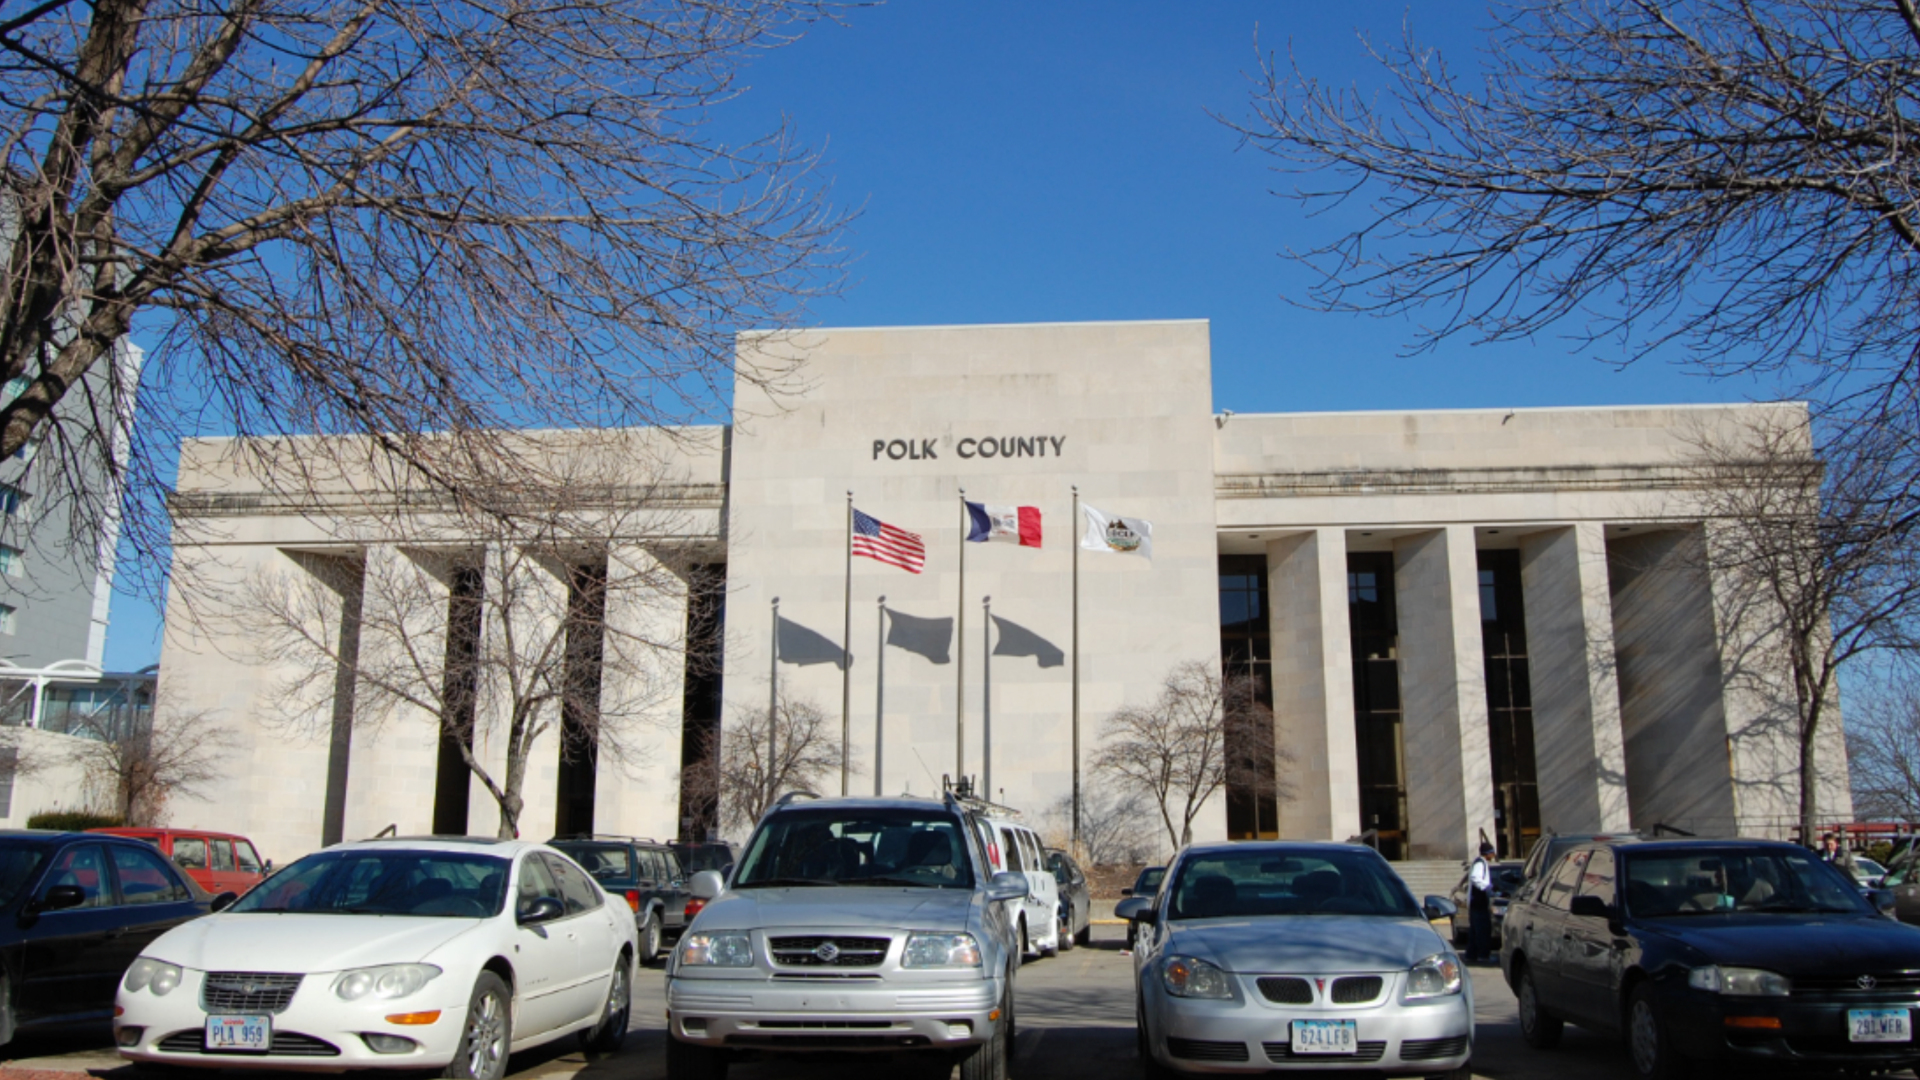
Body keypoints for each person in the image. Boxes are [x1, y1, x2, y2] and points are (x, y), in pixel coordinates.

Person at [1467, 841, 1495, 964]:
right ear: (1487, 853)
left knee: (1474, 931)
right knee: (1482, 929)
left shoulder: (1481, 863)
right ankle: (1483, 955)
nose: (1493, 855)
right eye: (1492, 852)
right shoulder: (1480, 863)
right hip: (1479, 903)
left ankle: (1471, 954)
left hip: (1476, 903)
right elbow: (1475, 877)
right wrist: (1486, 887)